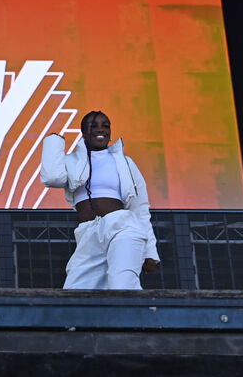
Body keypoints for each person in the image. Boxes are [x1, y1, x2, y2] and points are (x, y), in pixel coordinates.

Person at [40, 111, 160, 289]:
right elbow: (52, 178)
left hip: (122, 227)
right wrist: (54, 141)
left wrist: (150, 251)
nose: (100, 129)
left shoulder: (125, 162)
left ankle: (136, 316)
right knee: (76, 294)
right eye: (93, 126)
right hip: (88, 234)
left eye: (105, 126)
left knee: (122, 286)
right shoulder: (71, 161)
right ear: (83, 132)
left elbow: (140, 208)